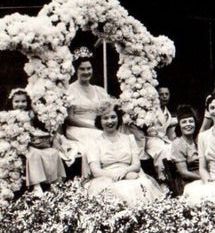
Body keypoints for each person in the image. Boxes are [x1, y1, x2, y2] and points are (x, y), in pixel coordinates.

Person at [84, 101, 166, 205]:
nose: (110, 121)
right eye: (105, 118)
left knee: (145, 185)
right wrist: (118, 175)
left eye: (113, 117)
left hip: (130, 173)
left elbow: (136, 165)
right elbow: (96, 171)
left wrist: (125, 171)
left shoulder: (129, 139)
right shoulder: (94, 142)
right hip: (106, 178)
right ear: (99, 121)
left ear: (118, 118)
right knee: (120, 190)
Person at [63, 46, 112, 176]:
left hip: (96, 126)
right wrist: (91, 127)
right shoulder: (70, 90)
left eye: (88, 68)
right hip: (77, 128)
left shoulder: (99, 90)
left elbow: (107, 112)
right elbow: (69, 118)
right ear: (76, 70)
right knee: (96, 141)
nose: (86, 72)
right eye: (82, 69)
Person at [9, 88, 66, 194]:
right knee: (34, 154)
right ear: (11, 102)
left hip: (33, 141)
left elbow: (38, 129)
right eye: (16, 101)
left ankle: (54, 181)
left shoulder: (31, 114)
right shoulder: (9, 116)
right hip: (20, 144)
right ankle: (36, 185)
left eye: (23, 101)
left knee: (52, 152)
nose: (20, 104)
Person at [167, 105, 202, 193]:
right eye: (184, 122)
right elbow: (184, 173)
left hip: (203, 176)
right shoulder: (178, 143)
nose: (188, 124)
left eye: (191, 121)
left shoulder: (197, 141)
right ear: (179, 126)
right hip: (189, 182)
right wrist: (204, 178)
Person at [145, 86, 177, 179]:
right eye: (161, 94)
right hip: (151, 138)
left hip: (163, 139)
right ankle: (162, 176)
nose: (164, 97)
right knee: (162, 150)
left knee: (174, 148)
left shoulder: (167, 112)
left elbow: (169, 124)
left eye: (167, 94)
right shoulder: (152, 110)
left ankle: (172, 176)